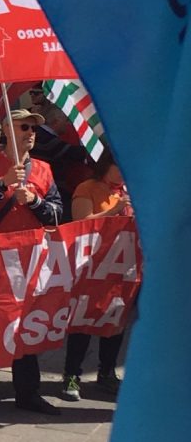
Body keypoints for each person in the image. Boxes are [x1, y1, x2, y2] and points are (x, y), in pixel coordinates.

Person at [0, 109, 64, 417]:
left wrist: (35, 203)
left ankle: (27, 392)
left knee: (28, 327)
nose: (30, 132)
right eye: (23, 126)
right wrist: (2, 184)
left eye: (33, 127)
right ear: (7, 129)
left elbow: (59, 212)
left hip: (32, 260)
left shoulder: (44, 168)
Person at [62, 152, 132, 401]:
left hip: (120, 270)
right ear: (106, 165)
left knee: (115, 322)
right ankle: (72, 375)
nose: (124, 170)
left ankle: (107, 372)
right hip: (91, 268)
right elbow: (81, 224)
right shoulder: (87, 188)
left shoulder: (125, 191)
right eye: (119, 165)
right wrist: (114, 210)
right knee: (83, 322)